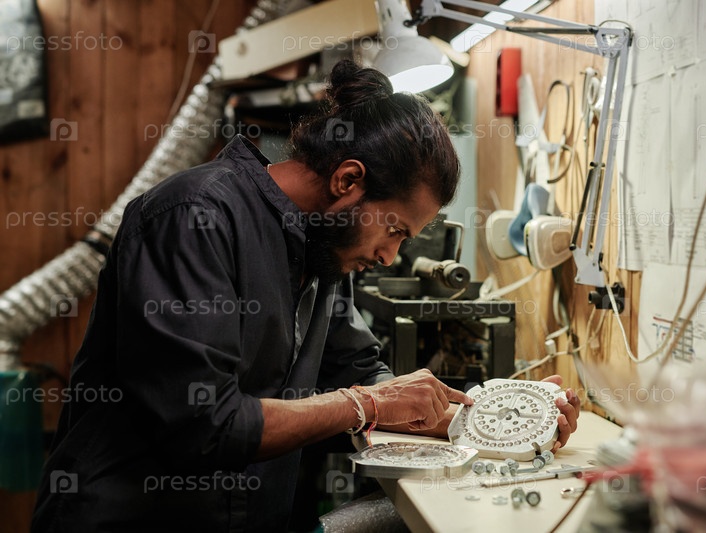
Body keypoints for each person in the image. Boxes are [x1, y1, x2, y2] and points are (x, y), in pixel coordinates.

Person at [32, 60, 580, 532]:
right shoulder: (195, 218)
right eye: (395, 230)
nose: (390, 256)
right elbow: (204, 425)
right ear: (348, 181)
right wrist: (365, 405)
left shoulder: (321, 247)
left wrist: (496, 417)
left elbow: (359, 370)